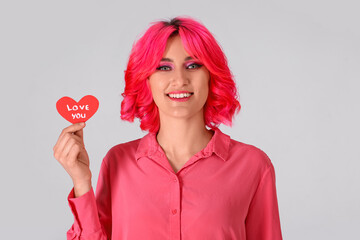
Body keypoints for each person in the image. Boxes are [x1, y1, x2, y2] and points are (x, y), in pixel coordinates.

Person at [53, 16, 283, 240]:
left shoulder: (253, 166)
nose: (180, 79)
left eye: (193, 65)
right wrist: (81, 182)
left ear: (211, 75)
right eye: (164, 68)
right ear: (146, 80)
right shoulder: (117, 162)